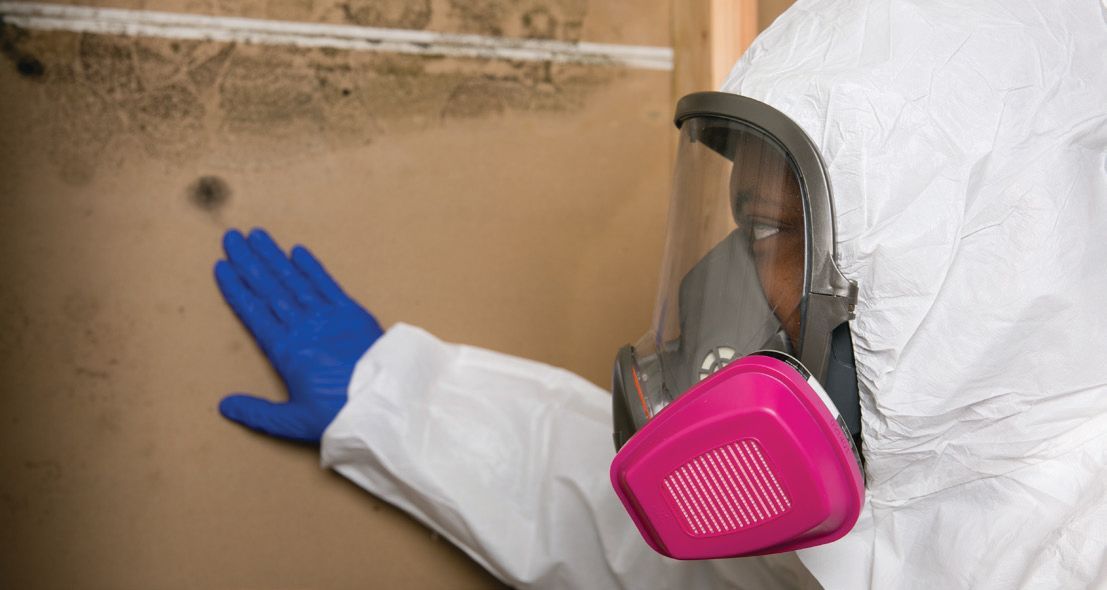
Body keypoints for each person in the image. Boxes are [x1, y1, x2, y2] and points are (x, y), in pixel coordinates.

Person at [212, 1, 1107, 588]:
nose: (754, 286)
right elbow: (630, 532)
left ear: (999, 246)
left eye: (786, 231)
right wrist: (397, 396)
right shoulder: (888, 479)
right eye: (753, 228)